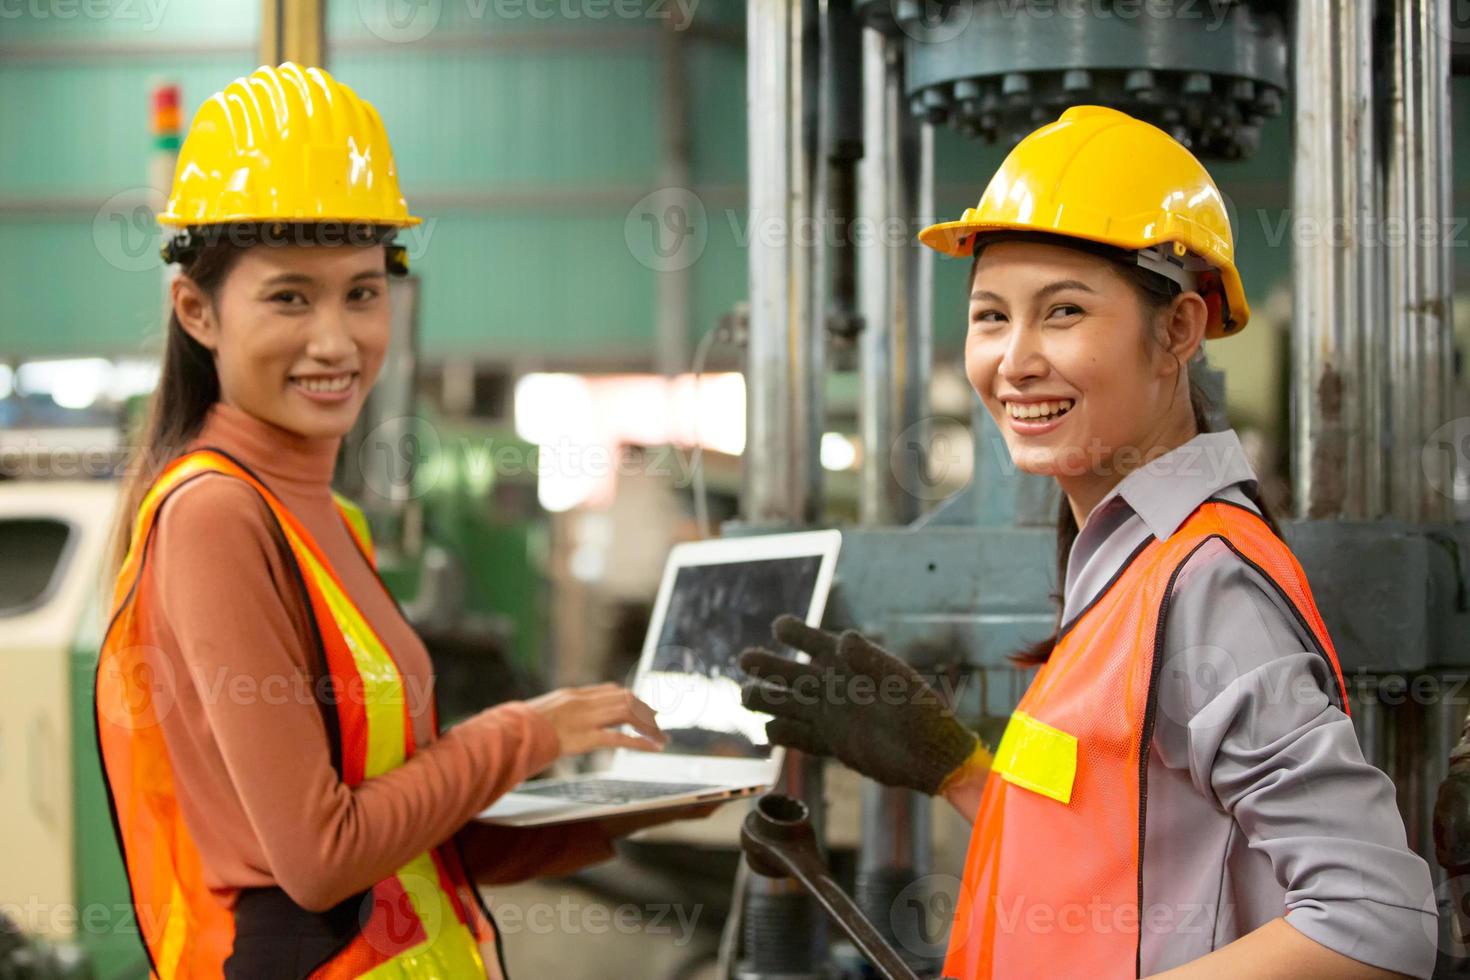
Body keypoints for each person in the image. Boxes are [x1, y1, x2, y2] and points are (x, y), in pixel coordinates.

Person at [740, 106, 1437, 979]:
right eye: (991, 317)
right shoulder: (1126, 568)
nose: (1016, 361)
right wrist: (954, 764)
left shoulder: (1206, 582)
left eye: (1063, 312)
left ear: (1178, 331)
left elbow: (1375, 917)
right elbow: (1120, 847)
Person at [96, 63, 703, 979]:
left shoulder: (331, 518)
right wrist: (526, 733)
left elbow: (409, 840)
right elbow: (321, 859)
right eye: (290, 297)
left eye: (363, 292)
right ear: (198, 311)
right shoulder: (215, 516)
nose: (337, 340)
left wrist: (653, 802)